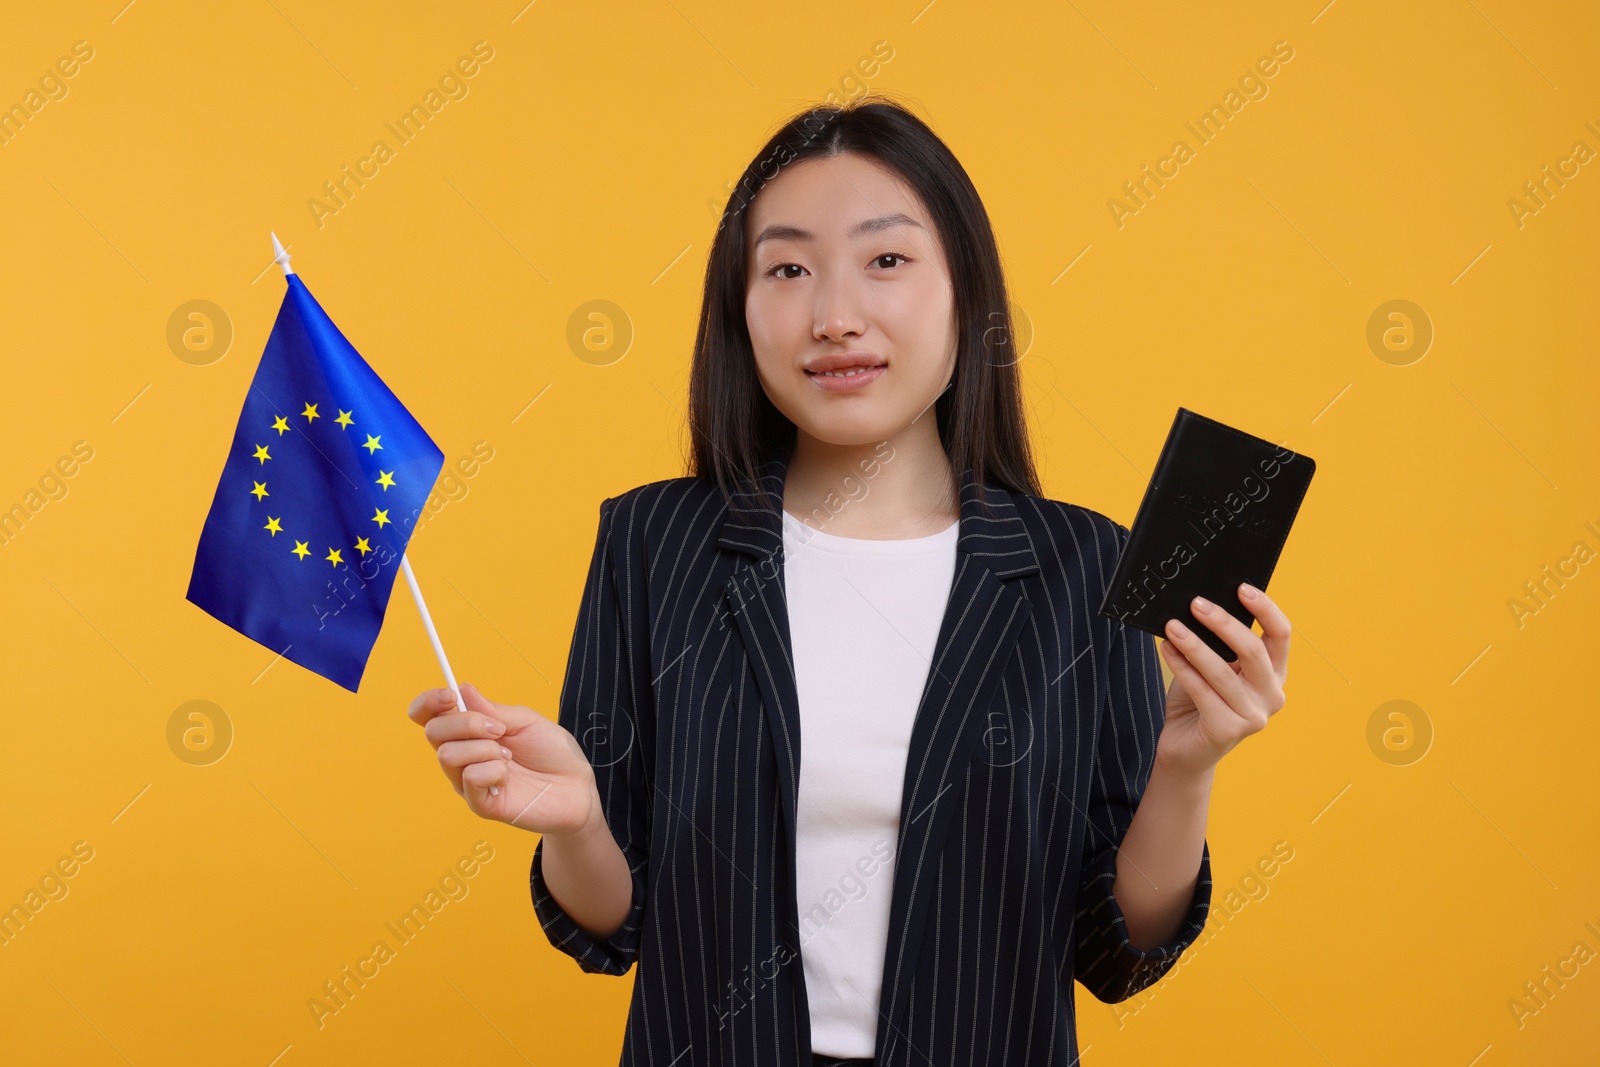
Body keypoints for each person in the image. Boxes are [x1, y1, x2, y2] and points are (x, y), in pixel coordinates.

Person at [408, 95, 1294, 1067]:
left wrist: (1184, 766)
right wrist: (576, 822)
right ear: (738, 309)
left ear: (967, 294)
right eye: (787, 268)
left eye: (886, 260)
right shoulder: (651, 541)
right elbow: (609, 926)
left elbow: (1114, 946)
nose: (833, 316)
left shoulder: (1082, 564)